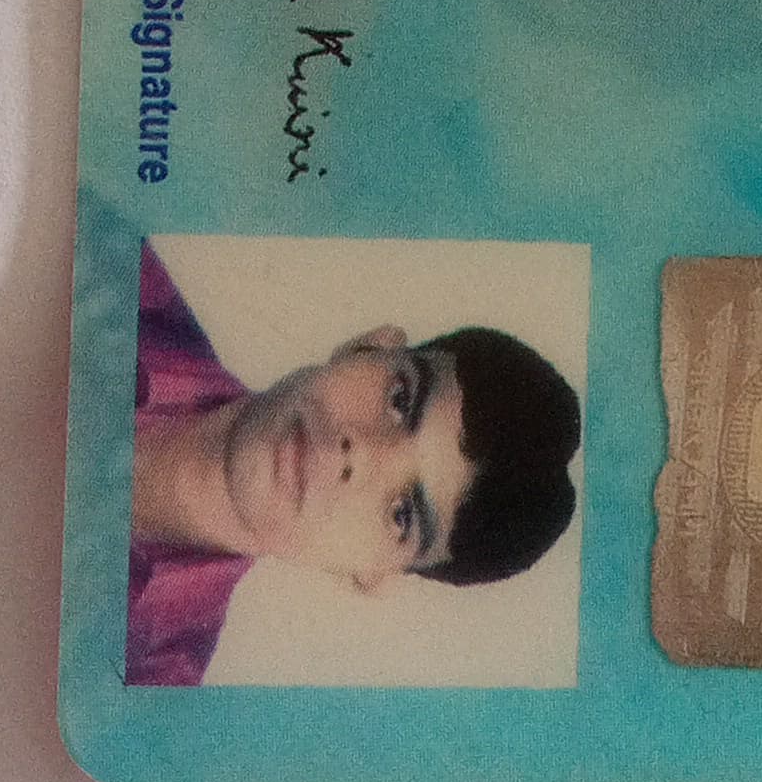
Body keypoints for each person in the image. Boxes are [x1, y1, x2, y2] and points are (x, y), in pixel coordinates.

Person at [126, 245, 581, 685]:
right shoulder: (119, 275)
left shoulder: (144, 692)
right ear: (368, 345)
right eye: (400, 399)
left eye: (402, 514)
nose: (360, 454)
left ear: (374, 575)